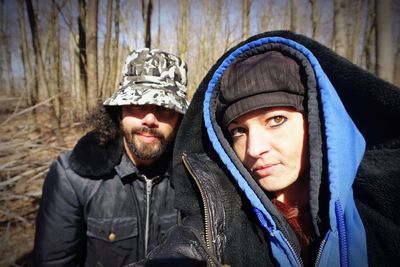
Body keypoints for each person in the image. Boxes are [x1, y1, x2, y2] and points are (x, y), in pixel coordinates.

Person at [138, 31, 400, 266]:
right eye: (239, 131)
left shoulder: (382, 211)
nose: (254, 149)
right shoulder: (220, 229)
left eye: (276, 120)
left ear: (318, 122)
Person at [33, 48, 190, 266]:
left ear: (179, 120)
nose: (150, 119)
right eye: (137, 104)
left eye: (165, 109)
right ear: (120, 111)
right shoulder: (72, 177)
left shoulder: (195, 180)